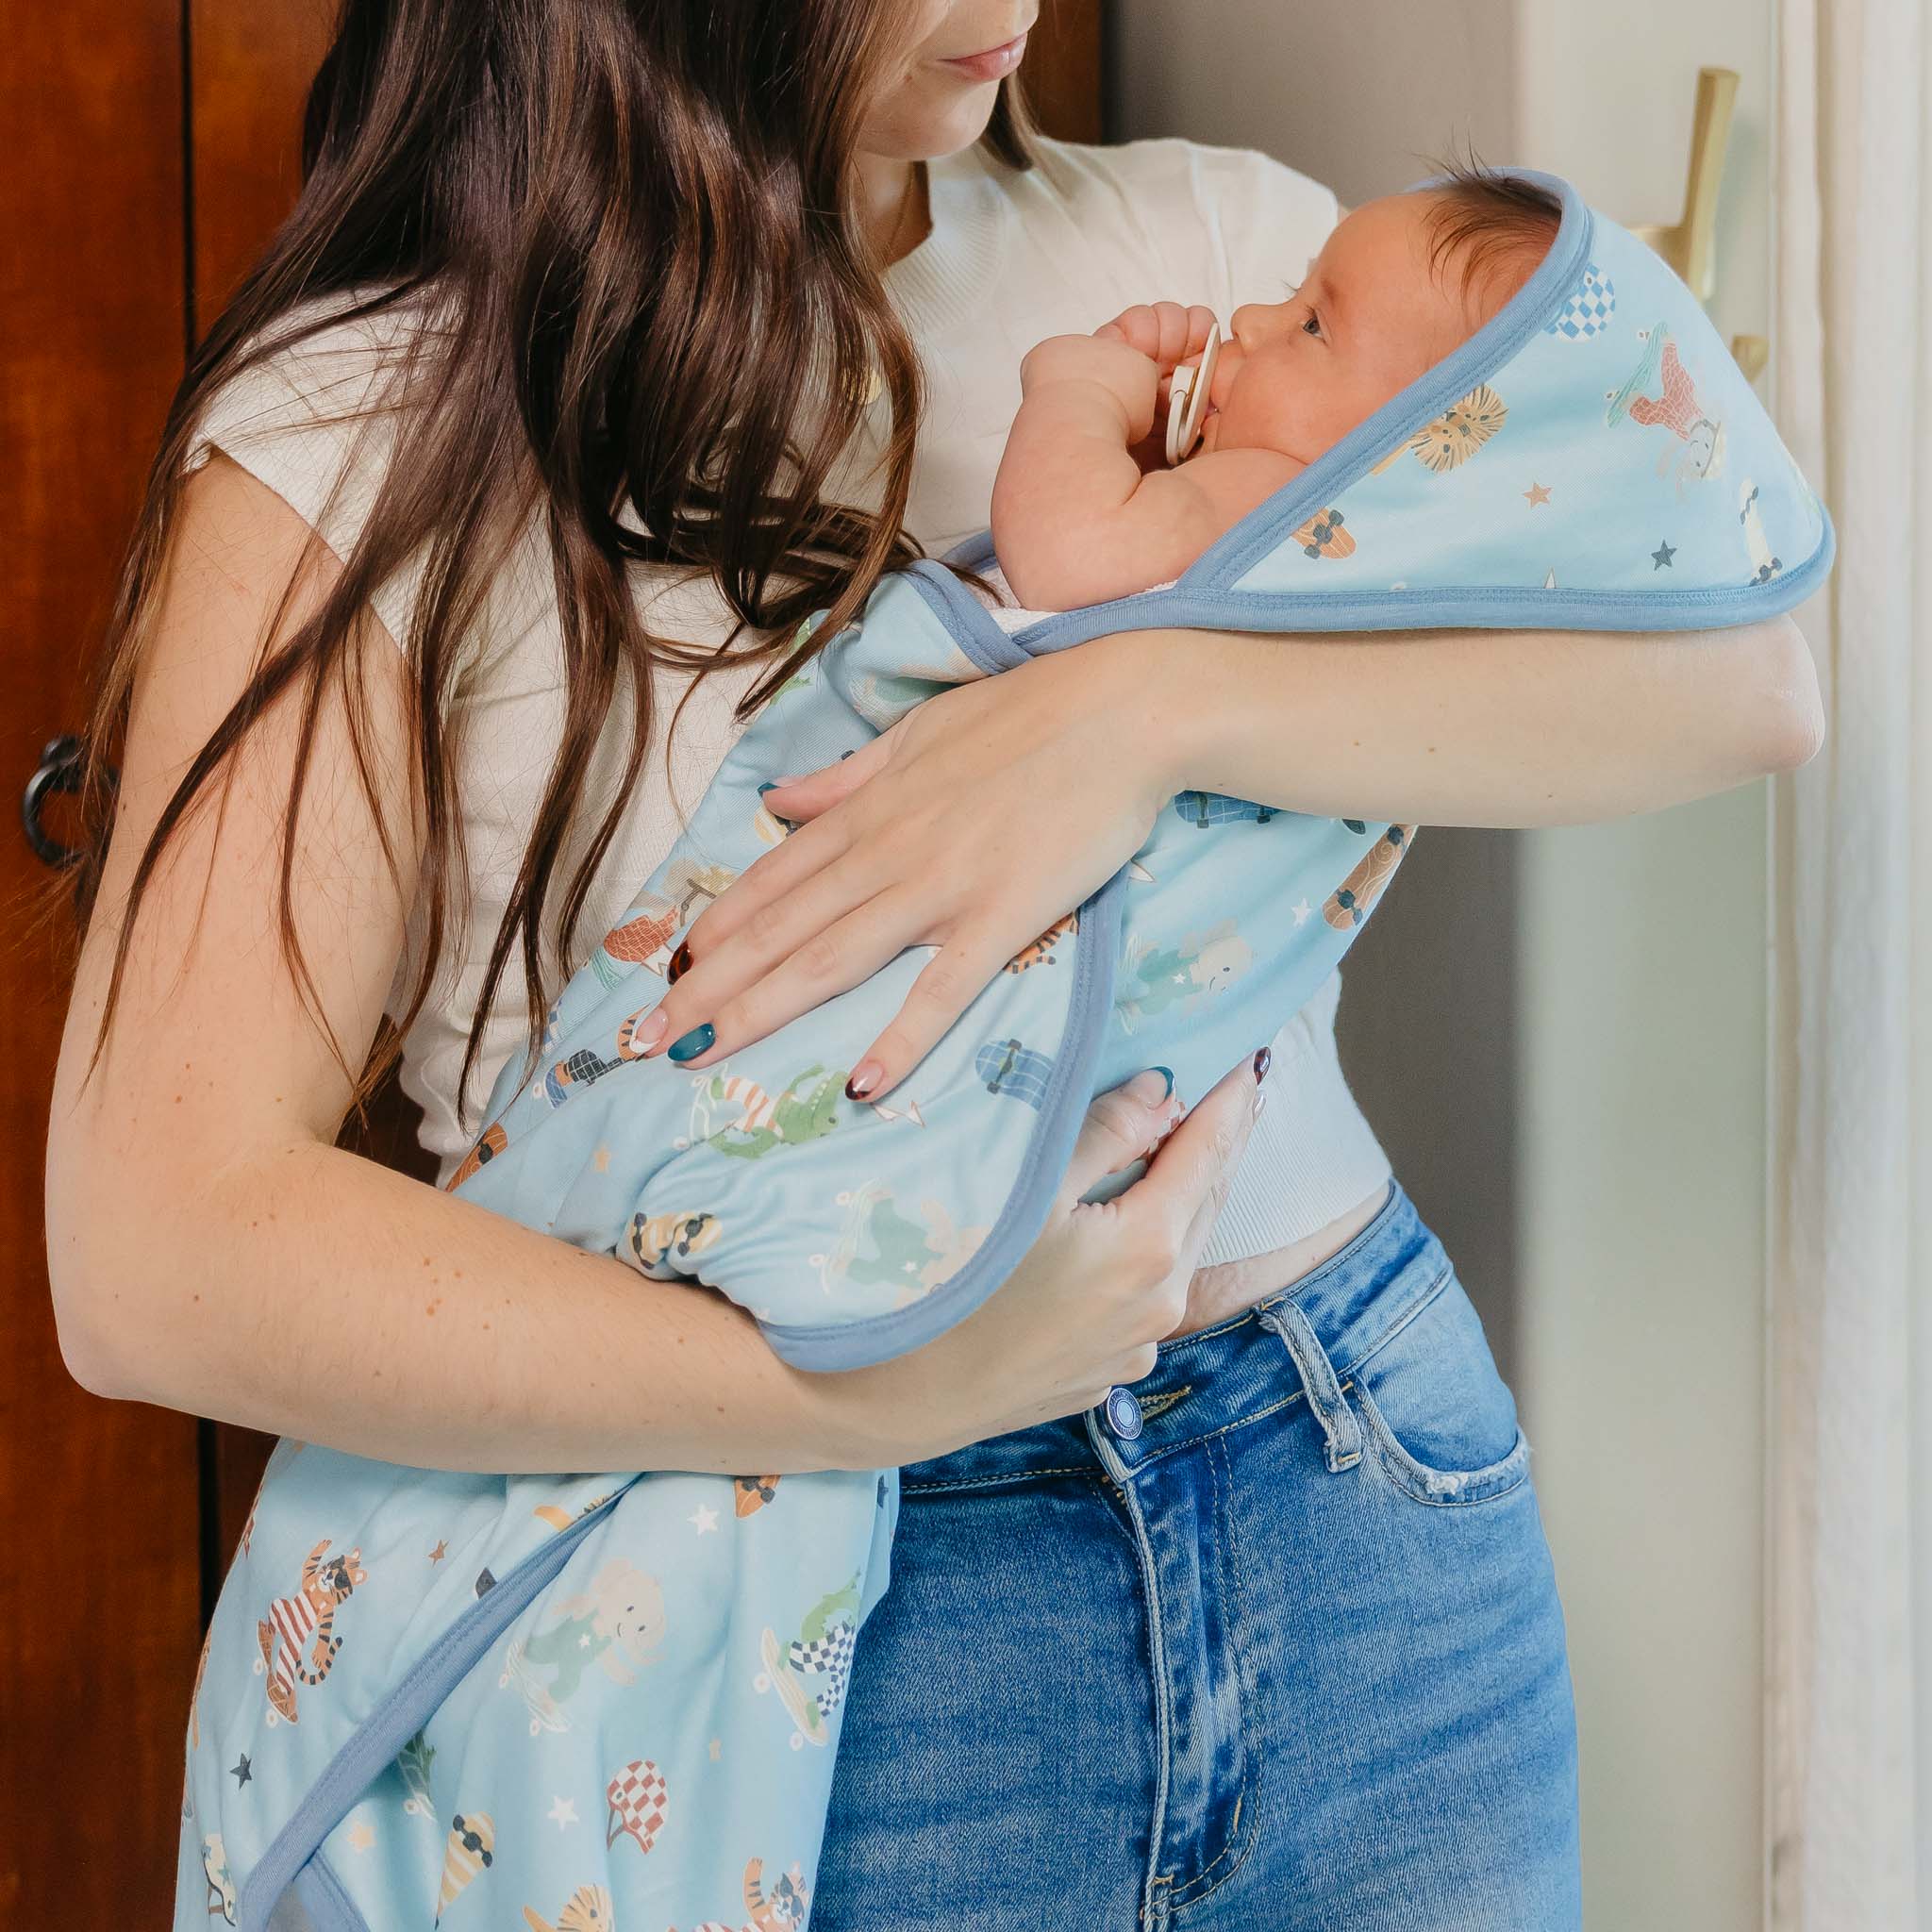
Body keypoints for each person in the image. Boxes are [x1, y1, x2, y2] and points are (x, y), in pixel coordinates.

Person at [42, 4, 1821, 1927]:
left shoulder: (1225, 256)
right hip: (816, 1603)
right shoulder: (373, 420)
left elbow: (1740, 677)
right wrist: (854, 1398)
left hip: (1349, 1498)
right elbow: (158, 1253)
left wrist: (1130, 714)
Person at [991, 166, 1559, 606]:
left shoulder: (1278, 487)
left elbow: (1069, 561)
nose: (1248, 317)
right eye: (1293, 292)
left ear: (1415, 441)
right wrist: (1142, 455)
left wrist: (1079, 394)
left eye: (1312, 325)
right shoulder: (1287, 508)